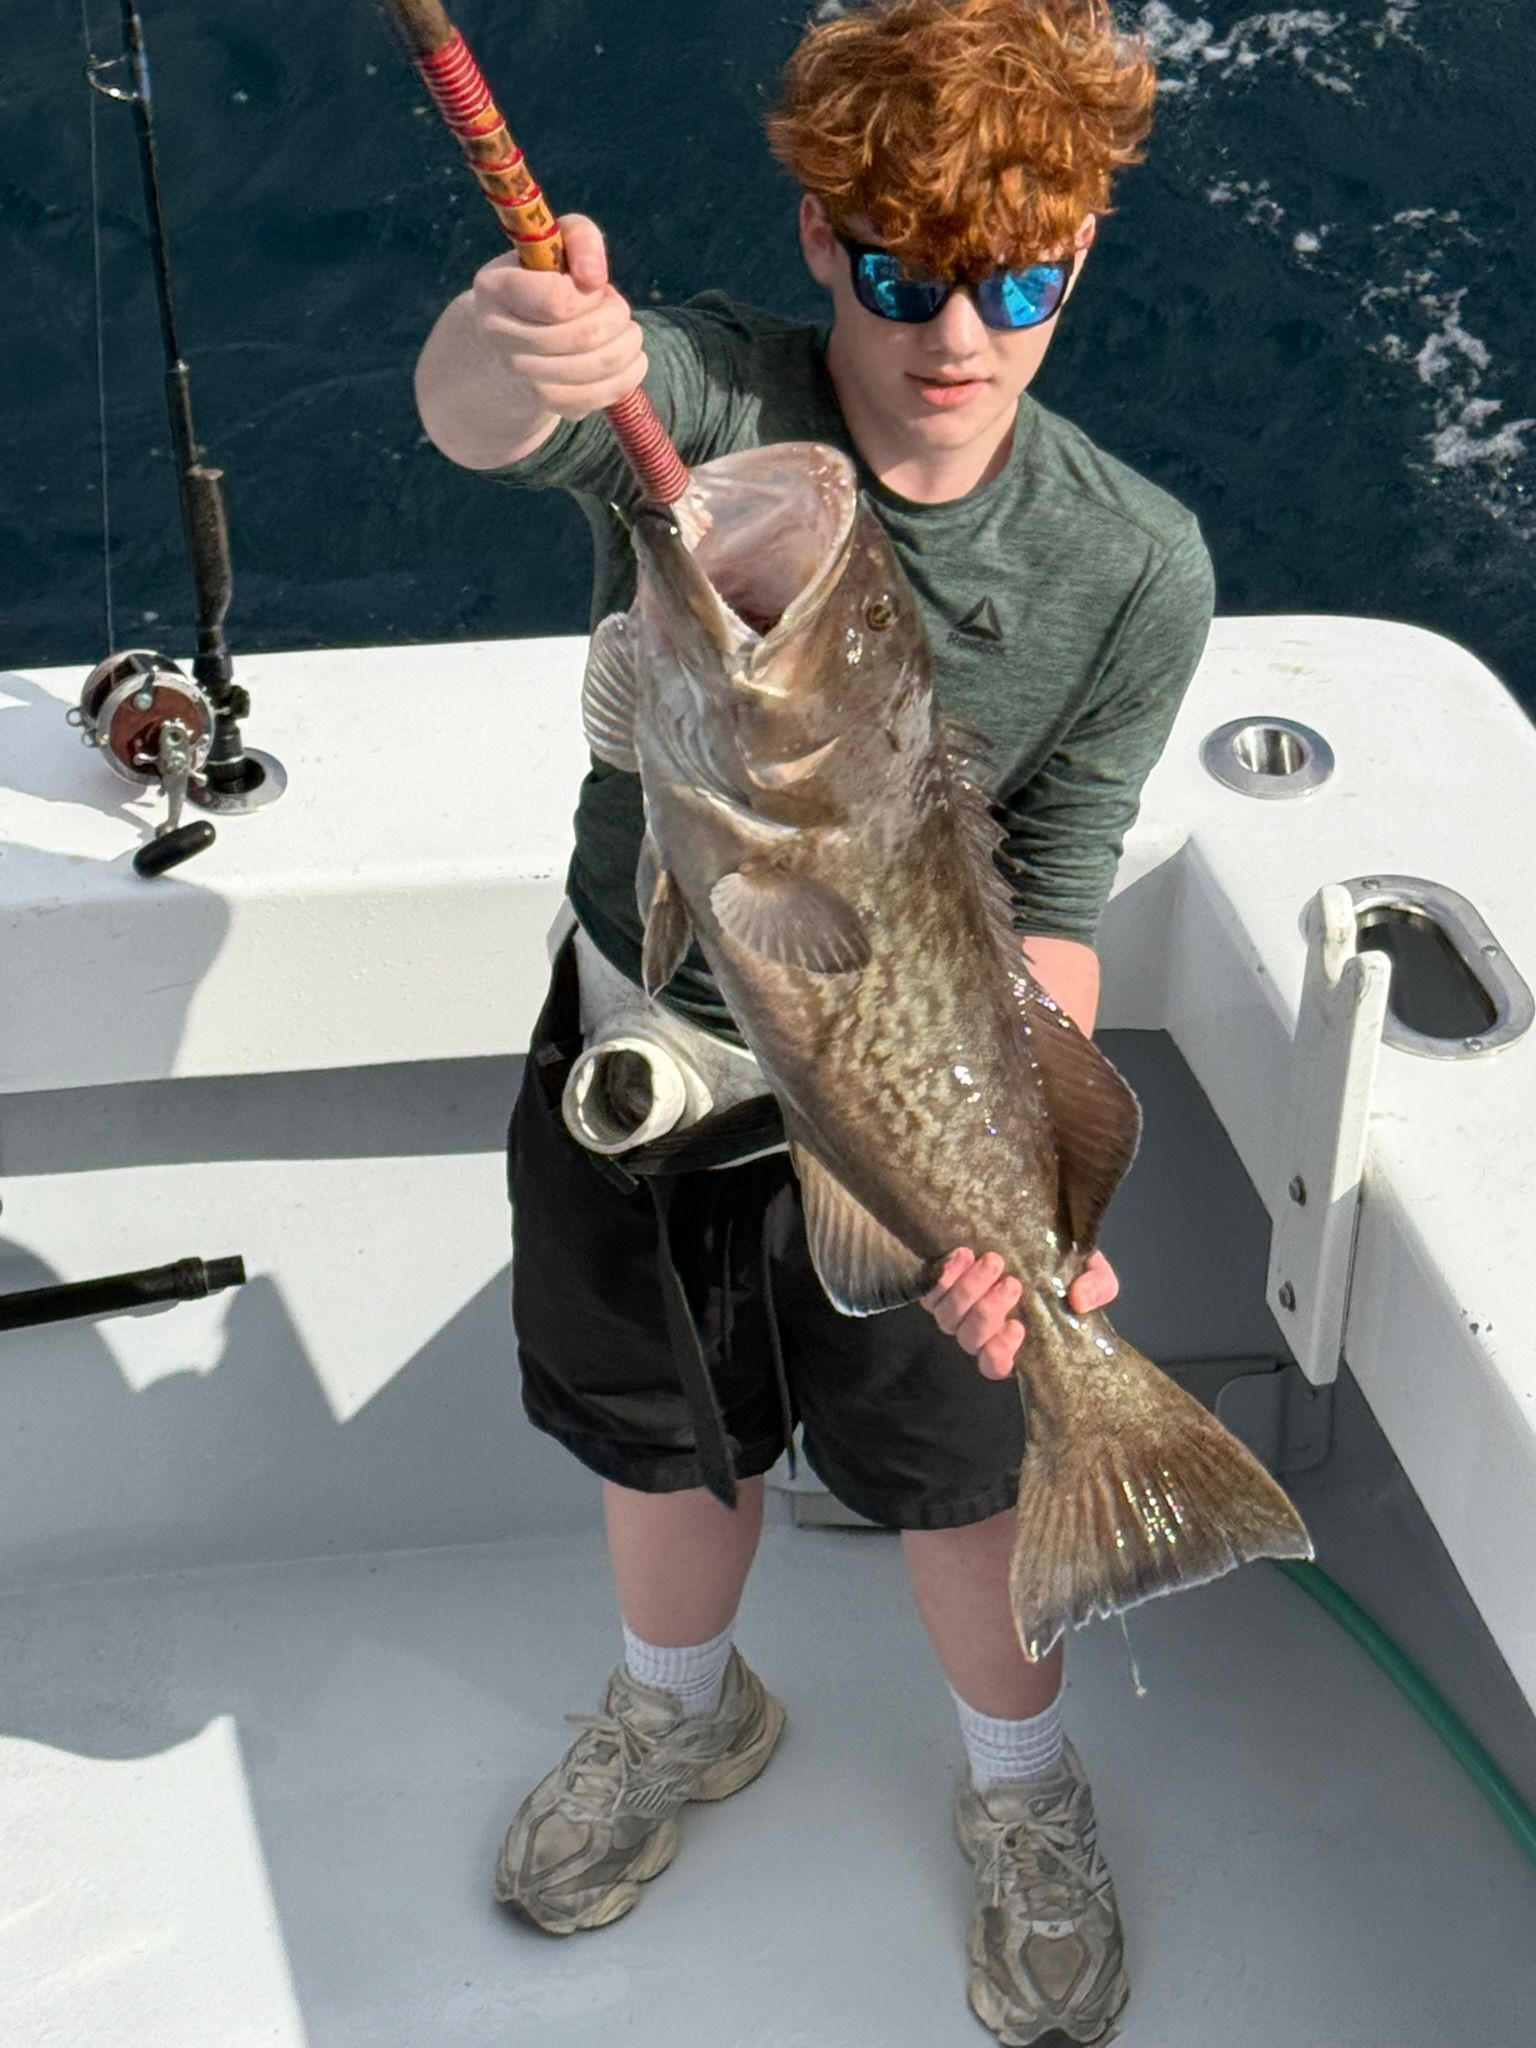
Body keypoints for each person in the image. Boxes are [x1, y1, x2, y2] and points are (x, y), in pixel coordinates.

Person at [415, 2, 1213, 2039]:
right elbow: (495, 420)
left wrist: (1033, 1213)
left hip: (917, 1114)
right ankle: (682, 1708)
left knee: (959, 1481)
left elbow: (1052, 902)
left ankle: (1021, 1793)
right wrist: (514, 350)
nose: (958, 334)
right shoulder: (718, 409)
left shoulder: (1132, 566)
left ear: (1085, 254)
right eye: (901, 273)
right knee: (661, 1443)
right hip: (645, 1066)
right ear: (816, 241)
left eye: (1019, 283)